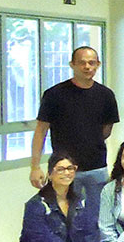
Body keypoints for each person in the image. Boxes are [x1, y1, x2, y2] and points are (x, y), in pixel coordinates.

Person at [30, 45, 119, 220]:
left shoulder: (106, 95)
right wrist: (35, 166)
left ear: (98, 64)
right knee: (64, 218)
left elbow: (106, 130)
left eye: (92, 63)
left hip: (97, 168)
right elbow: (41, 131)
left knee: (99, 218)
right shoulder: (54, 94)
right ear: (72, 65)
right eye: (82, 63)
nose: (87, 67)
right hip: (64, 170)